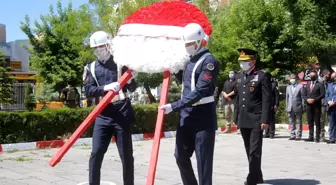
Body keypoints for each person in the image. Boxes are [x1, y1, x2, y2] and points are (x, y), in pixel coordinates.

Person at [159, 23, 219, 185]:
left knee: (203, 165)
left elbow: (200, 91)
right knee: (180, 156)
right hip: (187, 117)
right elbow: (187, 84)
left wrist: (174, 106)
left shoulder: (209, 62)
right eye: (185, 43)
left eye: (189, 43)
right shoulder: (189, 61)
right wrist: (175, 70)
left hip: (203, 118)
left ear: (199, 42)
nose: (187, 46)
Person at [84, 31, 137, 185]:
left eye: (101, 46)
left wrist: (131, 79)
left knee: (126, 155)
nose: (98, 50)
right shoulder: (91, 67)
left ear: (108, 45)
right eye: (95, 48)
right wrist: (106, 87)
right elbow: (89, 91)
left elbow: (132, 87)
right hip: (103, 113)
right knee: (96, 153)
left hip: (121, 111)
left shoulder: (121, 62)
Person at [232, 48, 272, 185]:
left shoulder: (262, 76)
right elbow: (238, 98)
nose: (242, 64)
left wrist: (265, 119)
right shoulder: (239, 76)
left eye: (246, 61)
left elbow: (267, 99)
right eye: (241, 61)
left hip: (256, 118)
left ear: (253, 61)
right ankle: (258, 176)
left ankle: (251, 178)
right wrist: (235, 117)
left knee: (254, 150)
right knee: (248, 149)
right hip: (243, 118)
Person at [303, 70, 325, 142]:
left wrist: (314, 100)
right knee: (310, 121)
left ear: (316, 76)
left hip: (316, 105)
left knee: (317, 121)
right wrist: (307, 99)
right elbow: (304, 95)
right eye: (311, 75)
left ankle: (317, 137)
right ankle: (310, 136)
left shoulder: (320, 84)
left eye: (313, 75)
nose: (312, 76)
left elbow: (322, 94)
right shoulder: (308, 84)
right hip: (309, 105)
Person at [286, 74, 306, 140]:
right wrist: (287, 106)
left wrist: (303, 106)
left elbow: (303, 97)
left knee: (299, 121)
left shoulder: (300, 86)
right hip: (290, 106)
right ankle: (292, 135)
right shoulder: (288, 87)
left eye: (293, 78)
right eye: (291, 78)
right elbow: (287, 98)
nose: (292, 79)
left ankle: (299, 135)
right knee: (291, 121)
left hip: (298, 106)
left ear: (296, 79)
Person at [319, 69, 330, 141]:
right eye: (328, 74)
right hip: (322, 103)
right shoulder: (319, 82)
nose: (329, 76)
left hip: (328, 103)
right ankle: (321, 135)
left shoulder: (327, 83)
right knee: (322, 119)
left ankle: (331, 135)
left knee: (329, 119)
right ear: (324, 74)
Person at [325, 72, 336, 144]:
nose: (333, 78)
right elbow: (327, 94)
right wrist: (328, 101)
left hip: (335, 105)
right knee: (331, 123)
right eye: (332, 77)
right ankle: (332, 138)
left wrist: (334, 102)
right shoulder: (329, 85)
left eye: (334, 77)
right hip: (330, 107)